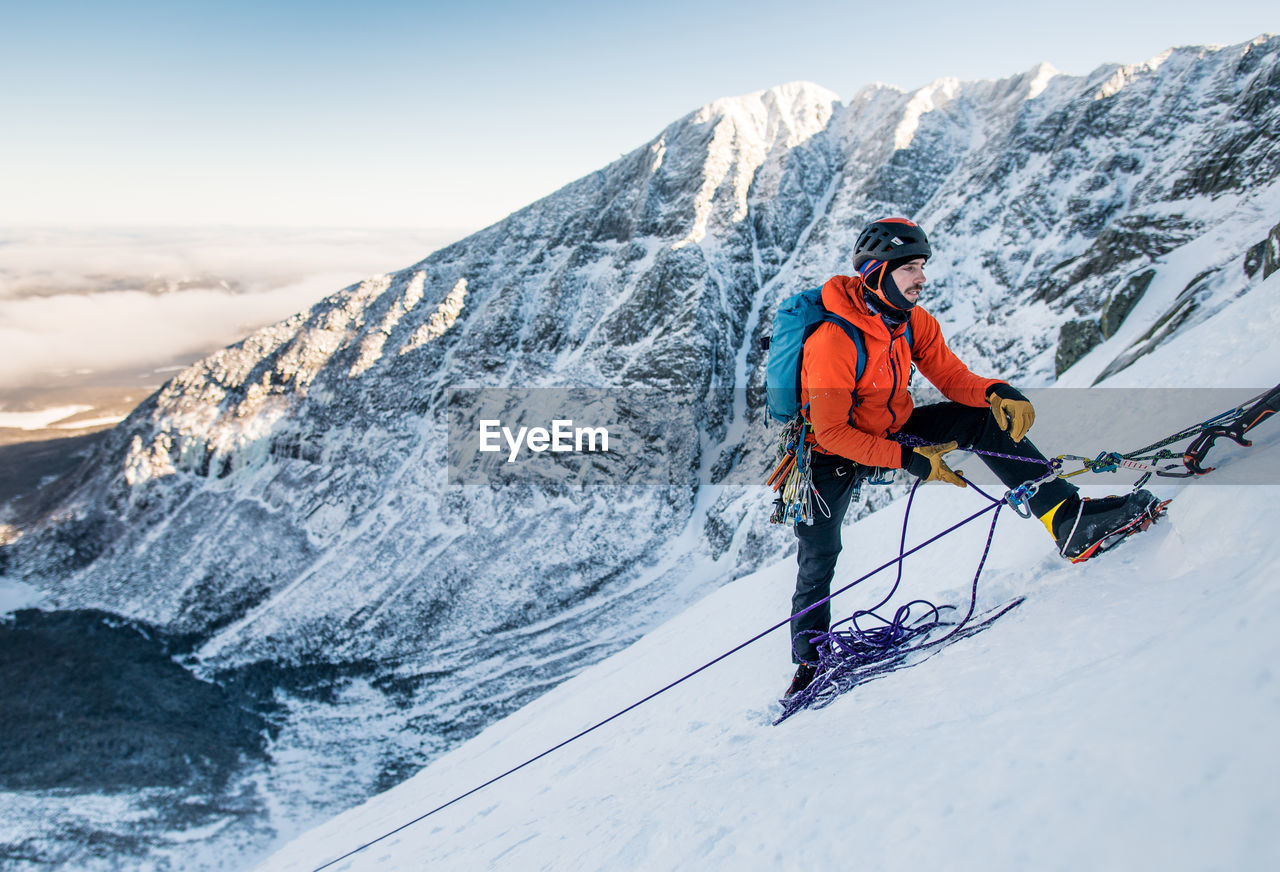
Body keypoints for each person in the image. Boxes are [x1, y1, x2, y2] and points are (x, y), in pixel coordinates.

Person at [784, 217, 1159, 699]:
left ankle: (1069, 518)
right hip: (826, 453)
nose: (922, 278)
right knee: (819, 554)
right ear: (877, 272)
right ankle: (809, 663)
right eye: (911, 269)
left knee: (982, 419)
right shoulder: (833, 341)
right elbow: (834, 431)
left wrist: (997, 391)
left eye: (921, 266)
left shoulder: (912, 321)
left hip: (891, 427)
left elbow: (951, 377)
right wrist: (912, 459)